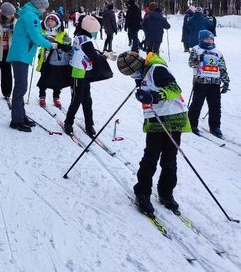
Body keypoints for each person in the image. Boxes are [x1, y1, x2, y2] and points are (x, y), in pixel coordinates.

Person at [116, 51, 189, 215]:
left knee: (169, 157)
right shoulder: (144, 71)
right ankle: (142, 192)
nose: (131, 76)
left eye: (131, 72)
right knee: (151, 155)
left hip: (173, 116)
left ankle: (166, 192)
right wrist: (141, 88)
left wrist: (154, 96)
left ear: (137, 66)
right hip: (156, 117)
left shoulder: (156, 69)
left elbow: (174, 89)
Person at [6, 0, 56, 132]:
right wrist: (50, 44)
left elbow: (35, 33)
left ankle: (21, 115)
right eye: (44, 8)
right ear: (38, 6)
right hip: (21, 55)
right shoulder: (30, 16)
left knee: (21, 86)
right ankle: (16, 120)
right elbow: (35, 37)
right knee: (21, 87)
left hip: (22, 54)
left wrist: (46, 37)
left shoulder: (29, 14)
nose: (45, 11)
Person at [63, 15, 107, 137]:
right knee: (77, 99)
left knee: (87, 99)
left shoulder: (81, 36)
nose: (96, 34)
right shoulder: (84, 40)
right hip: (78, 72)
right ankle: (68, 122)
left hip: (85, 71)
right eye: (95, 31)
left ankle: (89, 124)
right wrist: (105, 56)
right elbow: (94, 57)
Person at [187, 30, 229, 138]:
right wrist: (198, 59)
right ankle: (192, 124)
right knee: (197, 103)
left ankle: (215, 127)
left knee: (215, 106)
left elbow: (222, 67)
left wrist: (225, 82)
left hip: (214, 83)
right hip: (201, 81)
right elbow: (191, 63)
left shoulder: (217, 52)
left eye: (211, 39)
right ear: (201, 39)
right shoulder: (197, 49)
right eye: (207, 38)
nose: (209, 41)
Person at [36, 12, 72, 108]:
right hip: (45, 58)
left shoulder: (62, 33)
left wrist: (67, 41)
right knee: (43, 78)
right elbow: (38, 42)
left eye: (52, 21)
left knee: (57, 80)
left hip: (57, 61)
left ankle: (56, 97)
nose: (50, 23)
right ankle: (42, 96)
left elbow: (68, 45)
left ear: (57, 22)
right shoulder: (42, 32)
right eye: (48, 21)